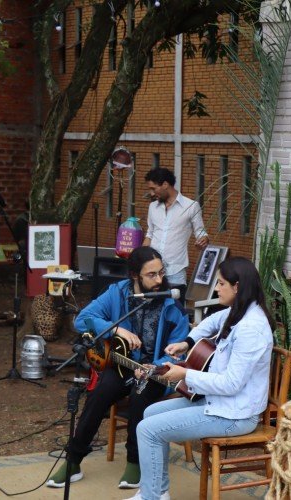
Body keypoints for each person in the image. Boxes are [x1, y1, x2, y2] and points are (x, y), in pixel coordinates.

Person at [128, 257, 274, 500]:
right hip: (218, 403)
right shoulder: (238, 312)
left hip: (235, 415)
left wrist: (185, 373)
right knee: (150, 414)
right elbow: (211, 322)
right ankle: (159, 491)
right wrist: (187, 343)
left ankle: (150, 497)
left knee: (148, 430)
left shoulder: (251, 329)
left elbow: (231, 384)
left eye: (220, 283)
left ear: (236, 287)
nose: (216, 288)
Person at [45, 246, 190, 490]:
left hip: (157, 373)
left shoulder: (170, 303)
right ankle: (74, 461)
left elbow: (181, 349)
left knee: (140, 395)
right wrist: (117, 329)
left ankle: (135, 462)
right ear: (135, 275)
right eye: (151, 275)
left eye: (161, 273)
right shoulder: (117, 293)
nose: (159, 280)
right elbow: (82, 320)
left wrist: (154, 368)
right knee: (99, 393)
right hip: (123, 365)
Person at [143, 168, 208, 296]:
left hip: (175, 271)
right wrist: (140, 258)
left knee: (175, 310)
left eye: (153, 188)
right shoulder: (152, 207)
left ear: (165, 185)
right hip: (151, 269)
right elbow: (150, 234)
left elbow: (201, 233)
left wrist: (203, 240)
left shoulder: (191, 206)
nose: (151, 193)